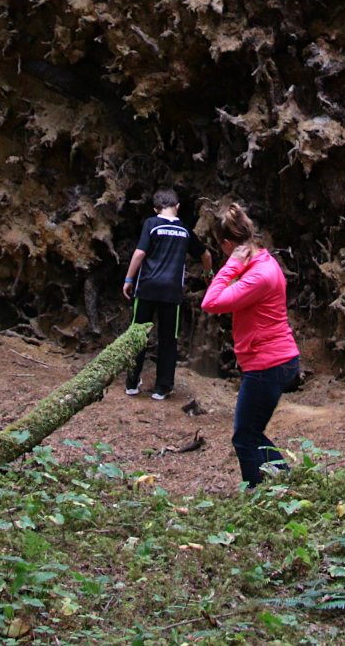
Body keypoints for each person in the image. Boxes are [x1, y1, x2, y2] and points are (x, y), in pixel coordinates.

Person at [200, 202, 302, 487]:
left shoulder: (258, 274)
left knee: (245, 436)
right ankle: (287, 483)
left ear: (228, 244)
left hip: (269, 364)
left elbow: (211, 302)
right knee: (251, 433)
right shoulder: (262, 261)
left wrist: (232, 264)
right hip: (272, 360)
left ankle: (258, 492)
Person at [123, 187, 210, 399]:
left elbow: (140, 253)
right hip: (171, 292)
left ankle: (132, 383)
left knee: (137, 334)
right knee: (168, 338)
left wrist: (128, 279)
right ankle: (162, 388)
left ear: (156, 209)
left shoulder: (151, 224)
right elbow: (205, 254)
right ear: (177, 207)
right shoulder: (184, 230)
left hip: (147, 288)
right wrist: (209, 274)